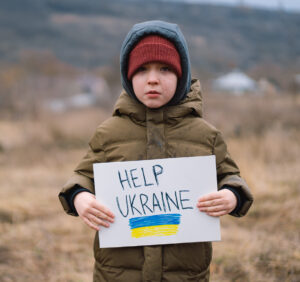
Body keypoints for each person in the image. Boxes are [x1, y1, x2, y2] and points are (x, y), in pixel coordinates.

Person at [58, 20, 253, 282]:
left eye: (164, 69)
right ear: (128, 78)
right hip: (118, 273)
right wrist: (80, 198)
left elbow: (231, 176)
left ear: (181, 76)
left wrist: (231, 195)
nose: (152, 79)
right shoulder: (108, 133)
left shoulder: (206, 135)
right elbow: (82, 176)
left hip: (185, 274)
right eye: (141, 70)